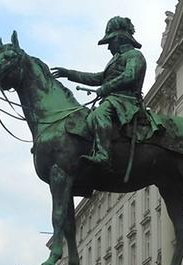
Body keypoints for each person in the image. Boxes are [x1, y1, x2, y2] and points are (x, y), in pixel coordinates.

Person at [51, 16, 147, 169]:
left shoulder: (134, 55)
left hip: (126, 100)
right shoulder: (116, 59)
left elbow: (130, 75)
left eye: (110, 42)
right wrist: (69, 73)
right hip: (114, 100)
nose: (108, 47)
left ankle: (104, 155)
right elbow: (97, 77)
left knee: (98, 115)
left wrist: (106, 88)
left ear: (119, 39)